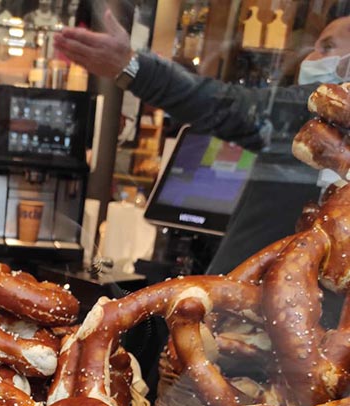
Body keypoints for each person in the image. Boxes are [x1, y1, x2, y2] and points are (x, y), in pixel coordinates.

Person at [53, 12, 350, 272]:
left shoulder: (312, 110)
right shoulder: (307, 118)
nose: (310, 57)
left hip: (257, 314)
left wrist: (133, 68)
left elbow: (224, 105)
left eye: (326, 47)